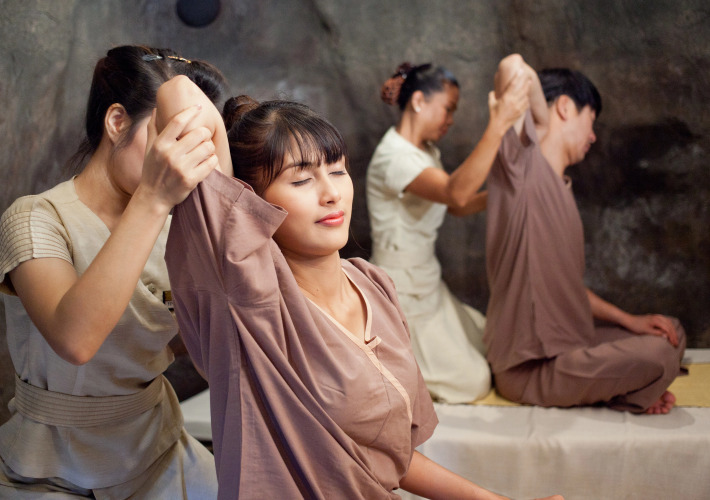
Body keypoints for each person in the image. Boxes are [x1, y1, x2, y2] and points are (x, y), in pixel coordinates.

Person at [162, 76, 563, 499]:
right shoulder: (250, 298)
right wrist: (230, 188)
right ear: (250, 203)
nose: (331, 193)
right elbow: (179, 94)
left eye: (338, 171)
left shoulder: (373, 286)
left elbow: (389, 458)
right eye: (300, 181)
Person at [0, 45, 229, 498]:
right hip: (53, 466)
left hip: (157, 446)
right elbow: (76, 341)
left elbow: (209, 340)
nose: (180, 157)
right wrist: (153, 197)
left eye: (196, 142)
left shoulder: (175, 222)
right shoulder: (36, 217)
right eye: (170, 135)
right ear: (117, 122)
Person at [484, 54, 686, 414]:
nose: (593, 136)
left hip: (574, 344)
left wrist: (629, 320)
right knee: (657, 355)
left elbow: (567, 288)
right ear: (565, 107)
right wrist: (541, 122)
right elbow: (512, 66)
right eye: (591, 121)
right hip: (531, 368)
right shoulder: (520, 164)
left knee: (669, 332)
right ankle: (634, 391)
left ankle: (630, 389)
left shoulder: (561, 187)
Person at [366, 62, 530, 402]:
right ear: (418, 101)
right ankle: (386, 368)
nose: (451, 120)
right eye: (448, 109)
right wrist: (498, 124)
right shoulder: (394, 157)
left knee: (491, 342)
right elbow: (455, 193)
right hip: (403, 291)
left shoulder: (424, 151)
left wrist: (508, 193)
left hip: (427, 281)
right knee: (474, 382)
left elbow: (455, 204)